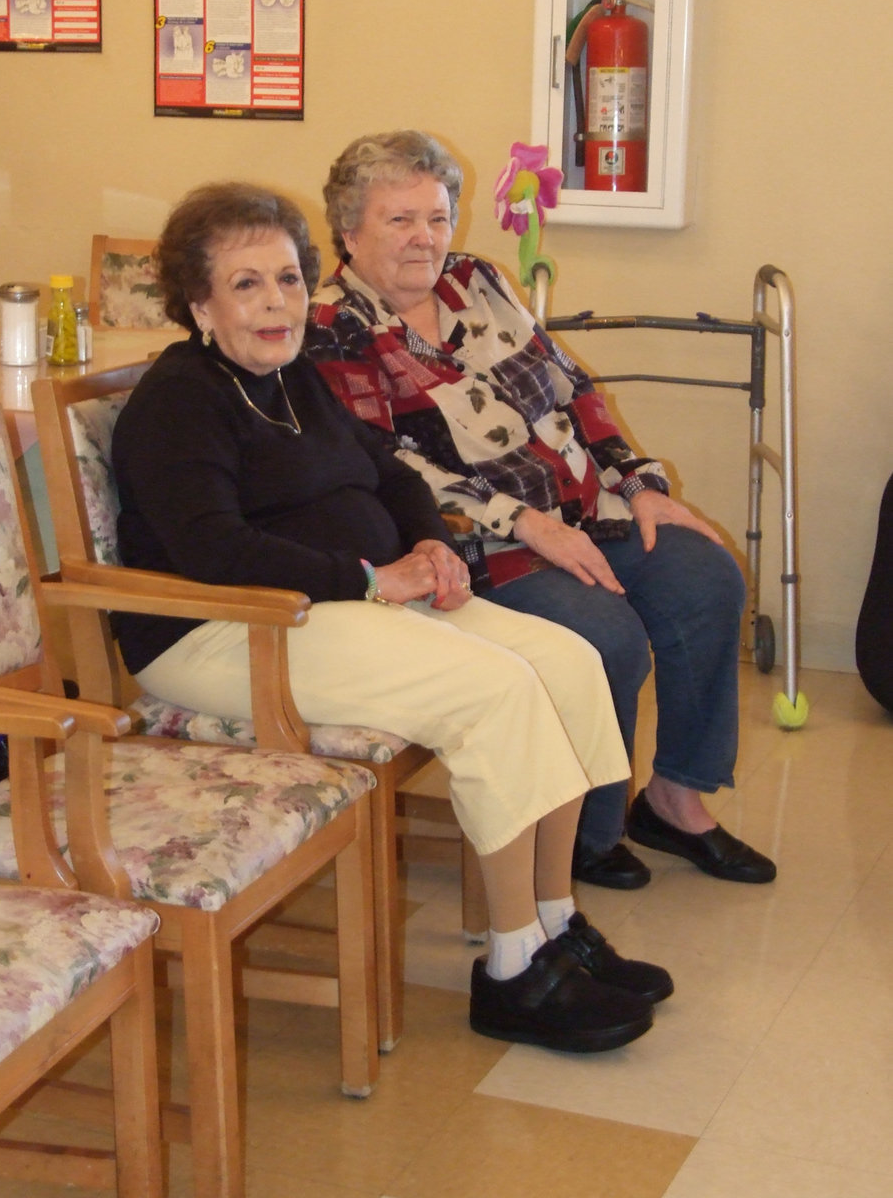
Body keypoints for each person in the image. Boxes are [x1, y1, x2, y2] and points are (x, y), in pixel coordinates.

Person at [110, 180, 674, 1055]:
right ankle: (514, 970)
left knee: (564, 662)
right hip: (227, 630)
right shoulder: (180, 399)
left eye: (290, 280)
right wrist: (375, 579)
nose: (277, 302)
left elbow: (393, 470)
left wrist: (430, 550)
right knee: (491, 689)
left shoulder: (296, 376)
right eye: (247, 284)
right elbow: (217, 552)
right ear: (200, 303)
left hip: (338, 603)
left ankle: (557, 923)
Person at [305, 130, 777, 888]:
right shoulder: (331, 325)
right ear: (349, 230)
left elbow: (572, 388)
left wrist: (641, 484)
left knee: (705, 578)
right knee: (605, 636)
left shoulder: (476, 281)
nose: (424, 238)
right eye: (399, 220)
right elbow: (382, 463)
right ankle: (589, 836)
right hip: (472, 548)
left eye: (436, 216)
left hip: (583, 515)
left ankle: (673, 800)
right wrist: (526, 524)